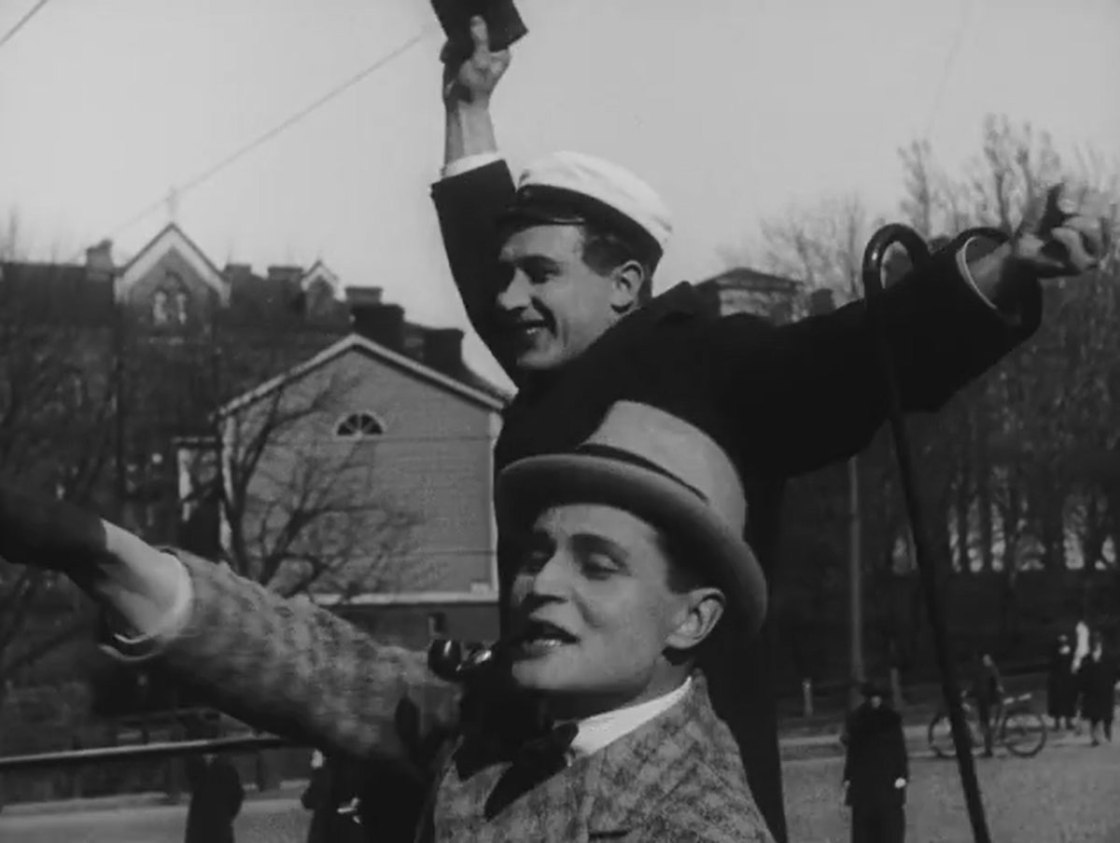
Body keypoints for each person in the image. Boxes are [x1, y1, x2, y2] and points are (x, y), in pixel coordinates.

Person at [432, 17, 1110, 840]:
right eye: (505, 276)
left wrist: (1006, 266)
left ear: (627, 284)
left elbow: (853, 356)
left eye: (540, 273)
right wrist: (468, 109)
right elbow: (488, 270)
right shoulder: (561, 371)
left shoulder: (707, 363)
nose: (507, 300)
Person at [0, 399, 777, 841]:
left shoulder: (698, 826)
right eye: (539, 551)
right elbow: (319, 670)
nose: (542, 582)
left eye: (597, 564)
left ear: (692, 618)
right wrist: (104, 553)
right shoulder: (507, 712)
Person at [842, 681, 908, 843]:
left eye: (877, 697)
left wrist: (902, 774)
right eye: (872, 697)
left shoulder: (890, 720)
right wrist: (848, 776)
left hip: (887, 776)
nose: (875, 700)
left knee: (889, 824)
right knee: (865, 824)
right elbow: (853, 752)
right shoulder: (858, 720)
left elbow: (899, 749)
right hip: (864, 779)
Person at [183, 738, 244, 843]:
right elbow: (237, 797)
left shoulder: (224, 769)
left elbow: (237, 797)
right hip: (217, 824)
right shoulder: (227, 769)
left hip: (206, 825)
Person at [1077, 632, 1117, 747]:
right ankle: (1095, 737)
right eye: (1093, 642)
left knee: (1106, 713)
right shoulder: (1087, 658)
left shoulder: (1109, 657)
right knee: (1093, 714)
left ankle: (1107, 730)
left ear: (1100, 643)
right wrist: (1083, 687)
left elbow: (1115, 672)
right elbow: (1082, 674)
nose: (1095, 644)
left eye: (1097, 641)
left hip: (1105, 688)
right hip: (1092, 690)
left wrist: (1111, 683)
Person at [968, 652, 1004, 757]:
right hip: (992, 698)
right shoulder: (992, 668)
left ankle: (988, 750)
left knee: (985, 724)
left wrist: (969, 693)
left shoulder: (983, 670)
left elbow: (980, 686)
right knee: (987, 724)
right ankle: (989, 746)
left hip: (986, 699)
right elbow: (995, 681)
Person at [1047, 633, 1077, 730]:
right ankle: (1057, 723)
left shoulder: (1070, 651)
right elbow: (1052, 665)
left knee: (1068, 700)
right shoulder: (1055, 652)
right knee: (1057, 702)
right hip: (1057, 680)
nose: (1063, 643)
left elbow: (1073, 664)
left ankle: (1068, 722)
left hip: (1068, 679)